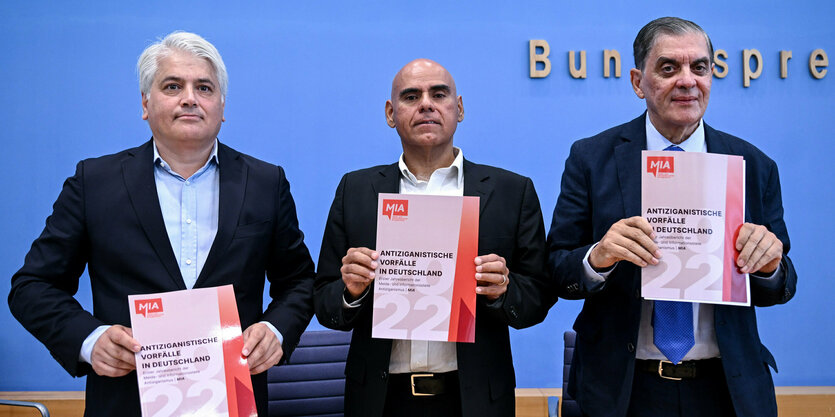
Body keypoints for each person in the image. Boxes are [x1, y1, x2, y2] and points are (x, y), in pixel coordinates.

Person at [8, 31, 315, 417]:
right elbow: (32, 287)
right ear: (145, 103)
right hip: (125, 402)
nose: (190, 98)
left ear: (222, 106)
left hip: (234, 403)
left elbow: (300, 281)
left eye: (204, 87)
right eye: (173, 86)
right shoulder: (94, 183)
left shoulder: (265, 183)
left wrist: (276, 330)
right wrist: (90, 338)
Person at [547, 17, 797, 417]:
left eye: (699, 67)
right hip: (623, 391)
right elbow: (557, 269)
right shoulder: (591, 158)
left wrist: (769, 267)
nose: (687, 80)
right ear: (637, 81)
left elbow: (782, 285)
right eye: (668, 68)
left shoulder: (752, 165)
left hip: (726, 391)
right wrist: (598, 257)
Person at [314, 58, 552, 417]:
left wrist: (503, 290)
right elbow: (324, 302)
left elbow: (538, 298)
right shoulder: (356, 191)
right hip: (380, 400)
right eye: (411, 96)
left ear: (458, 109)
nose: (426, 103)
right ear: (391, 114)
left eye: (438, 94)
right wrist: (350, 291)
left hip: (474, 399)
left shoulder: (511, 192)